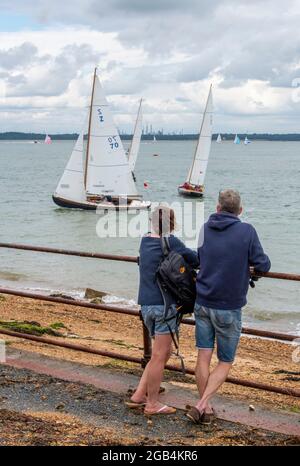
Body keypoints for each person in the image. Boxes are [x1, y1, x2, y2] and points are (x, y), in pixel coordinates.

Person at [187, 189, 271, 424]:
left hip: (202, 301)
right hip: (228, 306)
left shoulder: (205, 228)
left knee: (203, 356)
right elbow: (263, 263)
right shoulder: (247, 231)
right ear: (240, 211)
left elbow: (201, 258)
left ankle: (206, 409)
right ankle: (202, 404)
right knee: (225, 361)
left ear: (217, 208)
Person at [126, 205, 199, 415]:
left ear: (151, 221)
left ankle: (140, 395)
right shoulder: (171, 241)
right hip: (164, 307)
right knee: (159, 356)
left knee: (162, 353)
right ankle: (152, 404)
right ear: (172, 223)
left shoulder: (145, 241)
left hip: (146, 305)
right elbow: (195, 259)